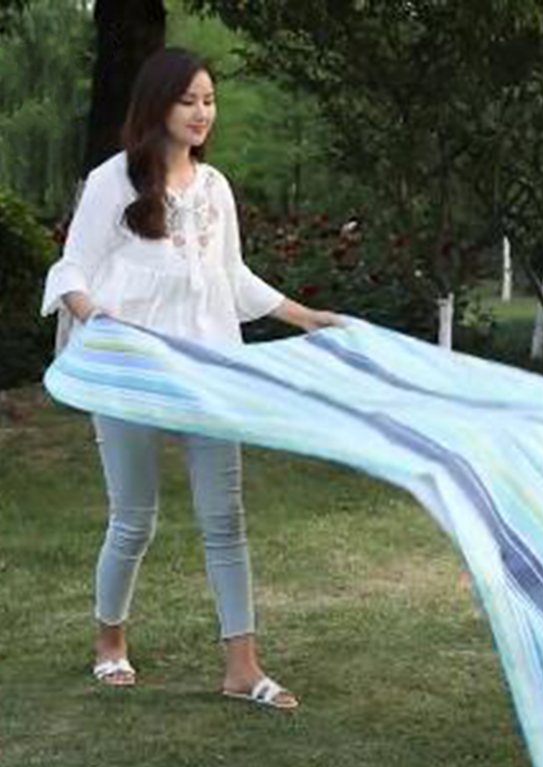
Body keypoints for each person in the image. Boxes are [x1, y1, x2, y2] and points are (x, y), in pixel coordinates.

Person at [41, 47, 340, 709]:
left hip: (207, 375)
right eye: (188, 101)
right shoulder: (113, 181)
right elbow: (72, 270)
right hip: (128, 374)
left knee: (225, 518)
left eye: (209, 100)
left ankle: (242, 669)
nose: (203, 112)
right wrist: (96, 319)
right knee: (134, 518)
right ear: (158, 105)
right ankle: (110, 643)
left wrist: (305, 317)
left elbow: (232, 278)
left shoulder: (215, 188)